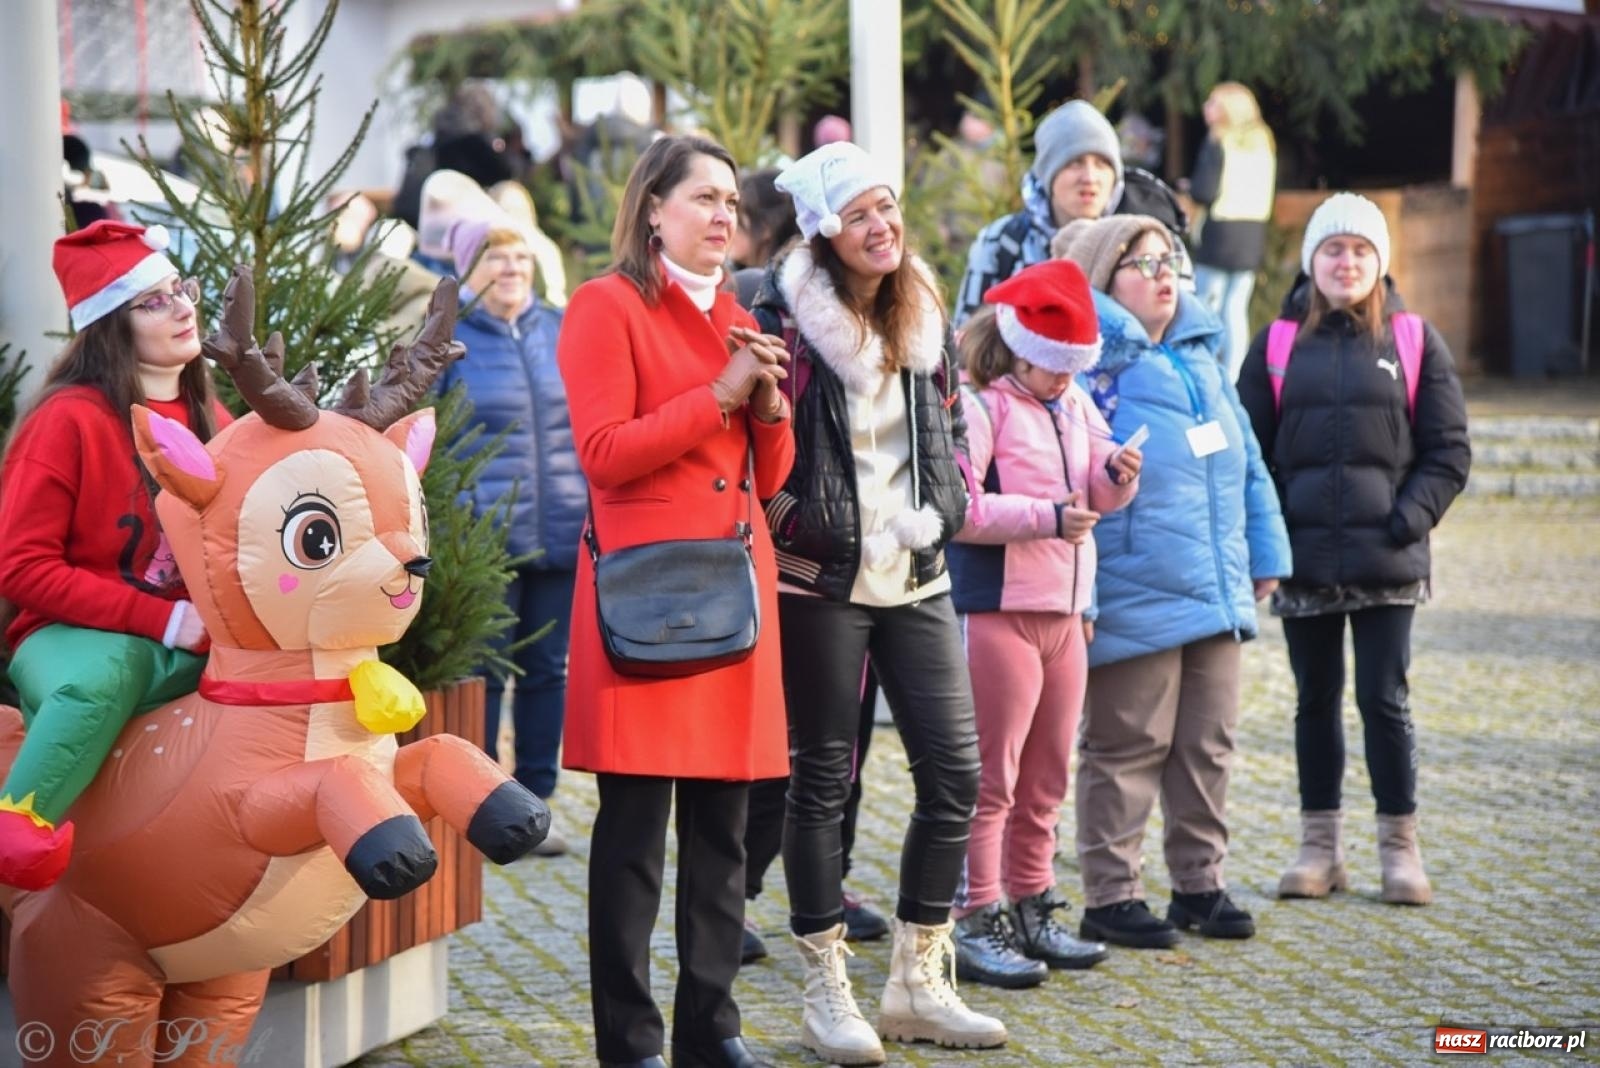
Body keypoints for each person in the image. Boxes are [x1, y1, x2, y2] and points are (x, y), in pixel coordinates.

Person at [750, 141, 1003, 1064]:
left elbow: (953, 419)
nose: (881, 226)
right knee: (823, 778)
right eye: (859, 214)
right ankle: (826, 989)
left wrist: (955, 498)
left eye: (887, 208)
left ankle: (916, 982)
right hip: (820, 577)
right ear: (824, 229)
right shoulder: (779, 313)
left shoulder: (923, 307)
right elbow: (755, 435)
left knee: (956, 774)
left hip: (919, 567)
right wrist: (789, 522)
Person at [556, 134, 794, 1068]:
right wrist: (721, 391)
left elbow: (771, 475)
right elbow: (606, 452)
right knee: (631, 841)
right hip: (646, 600)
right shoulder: (604, 307)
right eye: (703, 197)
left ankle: (712, 1028)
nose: (723, 214)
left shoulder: (738, 314)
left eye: (732, 201)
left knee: (724, 838)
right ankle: (629, 1041)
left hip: (731, 592)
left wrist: (767, 406)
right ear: (653, 208)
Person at [1053, 214, 1291, 949]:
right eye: (1140, 261)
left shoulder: (1204, 356)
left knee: (1209, 742)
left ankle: (1199, 882)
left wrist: (1267, 553)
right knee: (1128, 744)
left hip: (1216, 589)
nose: (1162, 273)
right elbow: (1069, 477)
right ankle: (1112, 893)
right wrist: (1083, 595)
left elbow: (1248, 461)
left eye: (1169, 259)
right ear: (1102, 281)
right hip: (1135, 588)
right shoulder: (1091, 364)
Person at [1235, 193, 1470, 907]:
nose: (1346, 262)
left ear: (1380, 263)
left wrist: (1406, 521)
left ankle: (1400, 849)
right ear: (1312, 262)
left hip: (1386, 563)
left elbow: (1448, 452)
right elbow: (1250, 454)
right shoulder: (1275, 346)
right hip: (1304, 561)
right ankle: (1320, 849)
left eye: (1361, 250)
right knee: (1315, 703)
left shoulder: (1413, 342)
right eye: (1333, 249)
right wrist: (1270, 536)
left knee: (1383, 699)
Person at [0, 221, 229, 890]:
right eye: (153, 300)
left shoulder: (213, 414)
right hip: (68, 639)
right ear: (110, 326)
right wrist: (160, 622)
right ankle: (18, 822)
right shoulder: (66, 419)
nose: (184, 307)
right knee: (105, 674)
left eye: (181, 289)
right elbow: (20, 568)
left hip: (185, 642)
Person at [945, 260, 1139, 988]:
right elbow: (961, 511)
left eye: (1070, 369)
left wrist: (1116, 478)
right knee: (992, 778)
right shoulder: (981, 408)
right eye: (1052, 368)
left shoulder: (1076, 403)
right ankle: (977, 913)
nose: (1063, 380)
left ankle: (1031, 902)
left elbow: (1093, 491)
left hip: (1066, 611)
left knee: (1048, 774)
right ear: (1019, 349)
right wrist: (1050, 519)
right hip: (1000, 611)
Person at [439, 210, 583, 858]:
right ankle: (484, 804)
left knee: (549, 670)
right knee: (487, 671)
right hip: (486, 537)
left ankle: (536, 804)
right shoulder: (451, 340)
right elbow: (432, 439)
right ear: (470, 270)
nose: (510, 270)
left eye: (520, 258)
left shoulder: (559, 329)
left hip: (559, 528)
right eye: (496, 258)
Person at [954, 99, 1188, 326]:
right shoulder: (1002, 242)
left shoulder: (1157, 246)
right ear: (1048, 174)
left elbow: (1190, 339)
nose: (1089, 178)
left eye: (1101, 164)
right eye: (1074, 163)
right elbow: (967, 340)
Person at [1189, 82, 1277, 382]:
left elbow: (1204, 190)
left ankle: (1204, 365)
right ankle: (1234, 373)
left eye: (1213, 103)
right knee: (1236, 308)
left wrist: (1189, 189)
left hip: (1221, 230)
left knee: (1207, 302)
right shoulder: (1263, 141)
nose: (1206, 109)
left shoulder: (1219, 140)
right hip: (1252, 232)